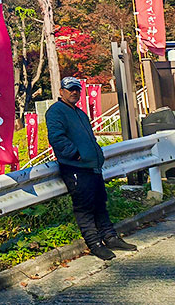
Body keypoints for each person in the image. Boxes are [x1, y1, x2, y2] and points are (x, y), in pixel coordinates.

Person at [46, 76, 137, 260]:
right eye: (70, 89)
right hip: (75, 168)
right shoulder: (56, 111)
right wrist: (76, 154)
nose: (74, 92)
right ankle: (94, 243)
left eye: (77, 89)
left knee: (100, 204)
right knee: (84, 208)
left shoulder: (79, 113)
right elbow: (56, 138)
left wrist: (96, 155)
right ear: (61, 91)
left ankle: (110, 237)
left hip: (92, 167)